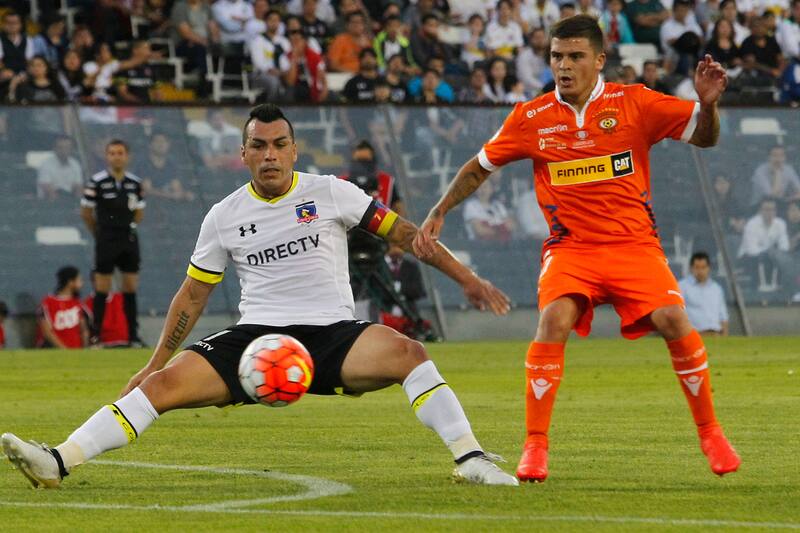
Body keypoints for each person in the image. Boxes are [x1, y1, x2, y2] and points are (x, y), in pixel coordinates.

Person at [1, 103, 518, 489]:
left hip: (332, 335)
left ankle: (469, 457)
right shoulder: (224, 215)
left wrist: (467, 279)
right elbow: (192, 297)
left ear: (294, 149)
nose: (269, 154)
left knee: (411, 353)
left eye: (279, 144)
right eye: (259, 146)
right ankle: (58, 461)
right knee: (156, 390)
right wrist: (154, 362)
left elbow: (406, 234)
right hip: (252, 340)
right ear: (244, 153)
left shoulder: (331, 191)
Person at [414, 15, 741, 483]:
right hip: (572, 250)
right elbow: (479, 166)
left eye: (574, 56)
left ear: (600, 60)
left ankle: (711, 432)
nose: (563, 66)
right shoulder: (531, 117)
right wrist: (439, 209)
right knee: (554, 319)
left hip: (634, 246)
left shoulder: (635, 103)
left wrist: (708, 106)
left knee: (675, 320)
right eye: (556, 57)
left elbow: (705, 137)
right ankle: (535, 446)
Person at [80, 139, 145, 347]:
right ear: (107, 157)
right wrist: (99, 233)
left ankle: (133, 336)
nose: (117, 156)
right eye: (112, 153)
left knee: (130, 287)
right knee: (102, 288)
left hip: (128, 237)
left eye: (120, 153)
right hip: (106, 239)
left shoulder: (135, 183)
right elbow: (86, 212)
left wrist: (129, 227)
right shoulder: (96, 182)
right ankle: (96, 336)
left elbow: (139, 212)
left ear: (127, 156)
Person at [35, 266, 88, 349]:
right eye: (79, 280)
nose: (82, 284)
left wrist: (84, 349)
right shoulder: (48, 302)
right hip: (54, 351)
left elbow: (83, 329)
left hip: (76, 350)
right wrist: (63, 349)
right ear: (70, 282)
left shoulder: (78, 303)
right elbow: (47, 331)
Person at [679, 252, 729, 336]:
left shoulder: (716, 289)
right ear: (691, 268)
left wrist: (725, 337)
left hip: (716, 335)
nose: (700, 271)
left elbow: (723, 316)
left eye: (703, 267)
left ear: (708, 268)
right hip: (694, 335)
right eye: (697, 267)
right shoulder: (682, 287)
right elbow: (679, 314)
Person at [137, 132, 194, 202]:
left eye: (164, 141)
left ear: (168, 145)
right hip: (148, 205)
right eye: (157, 141)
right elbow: (147, 191)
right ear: (150, 144)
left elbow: (176, 187)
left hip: (168, 206)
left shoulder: (171, 164)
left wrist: (184, 194)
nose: (161, 144)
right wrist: (170, 195)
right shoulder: (143, 163)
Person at [84, 272, 129, 348]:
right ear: (93, 282)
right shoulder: (87, 304)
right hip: (104, 345)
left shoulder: (121, 298)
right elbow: (87, 329)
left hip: (125, 343)